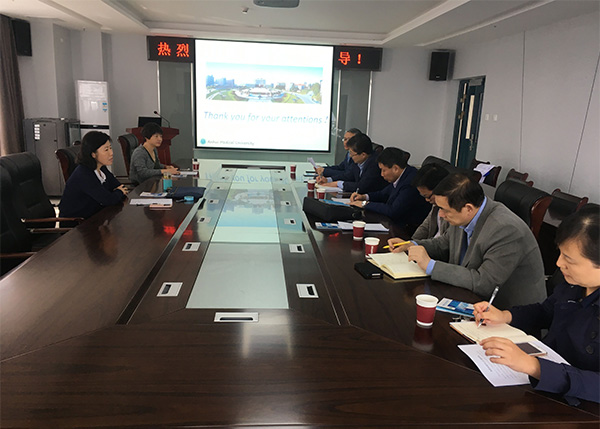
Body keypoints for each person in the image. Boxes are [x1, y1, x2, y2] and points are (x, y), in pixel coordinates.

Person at [474, 206, 599, 404]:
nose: (559, 263)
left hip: (580, 404)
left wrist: (534, 367)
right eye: (560, 253)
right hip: (544, 382)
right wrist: (505, 316)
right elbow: (547, 311)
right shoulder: (575, 284)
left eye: (569, 259)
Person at [393, 173, 546, 308]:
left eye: (445, 210)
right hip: (469, 299)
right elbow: (443, 244)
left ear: (468, 208)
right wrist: (411, 245)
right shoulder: (464, 215)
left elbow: (484, 283)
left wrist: (430, 266)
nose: (441, 215)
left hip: (508, 313)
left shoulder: (505, 229)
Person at [350, 147, 430, 229]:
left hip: (406, 228)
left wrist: (365, 204)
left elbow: (393, 211)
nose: (382, 174)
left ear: (395, 168)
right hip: (395, 222)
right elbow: (383, 194)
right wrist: (364, 197)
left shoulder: (410, 183)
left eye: (383, 170)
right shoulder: (403, 174)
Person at [59, 131, 128, 219]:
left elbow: (118, 186)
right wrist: (119, 192)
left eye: (110, 148)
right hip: (77, 223)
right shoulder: (84, 174)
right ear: (93, 154)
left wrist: (116, 192)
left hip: (94, 216)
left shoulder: (101, 168)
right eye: (106, 150)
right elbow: (108, 200)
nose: (111, 153)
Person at [317, 133, 387, 194]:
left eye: (352, 154)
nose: (350, 156)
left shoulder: (375, 164)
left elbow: (362, 187)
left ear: (363, 155)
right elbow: (348, 175)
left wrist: (338, 184)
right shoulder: (359, 160)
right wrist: (328, 180)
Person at [404, 163, 449, 240]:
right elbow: (425, 227)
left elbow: (444, 242)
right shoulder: (435, 205)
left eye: (428, 196)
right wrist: (411, 242)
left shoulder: (454, 210)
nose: (427, 200)